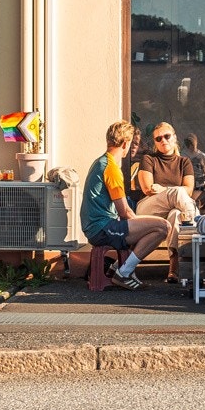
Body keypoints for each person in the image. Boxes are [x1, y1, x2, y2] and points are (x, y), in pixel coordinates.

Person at [82, 120, 169, 291]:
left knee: (154, 227)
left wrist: (140, 225)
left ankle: (118, 268)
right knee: (163, 227)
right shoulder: (111, 168)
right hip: (102, 228)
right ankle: (124, 273)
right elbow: (124, 212)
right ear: (125, 143)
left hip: (96, 227)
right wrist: (141, 225)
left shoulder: (100, 161)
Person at [134, 122, 199, 283]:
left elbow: (189, 190)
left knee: (177, 214)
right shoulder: (149, 159)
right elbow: (148, 189)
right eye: (158, 138)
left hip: (173, 208)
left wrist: (162, 189)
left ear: (174, 137)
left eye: (167, 136)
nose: (163, 140)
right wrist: (172, 190)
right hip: (149, 209)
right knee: (178, 192)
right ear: (155, 142)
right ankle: (200, 228)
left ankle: (174, 269)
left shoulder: (184, 162)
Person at [183, 133, 205, 205]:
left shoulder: (202, 156)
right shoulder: (183, 155)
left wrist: (201, 165)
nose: (191, 147)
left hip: (199, 182)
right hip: (186, 181)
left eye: (192, 144)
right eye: (189, 144)